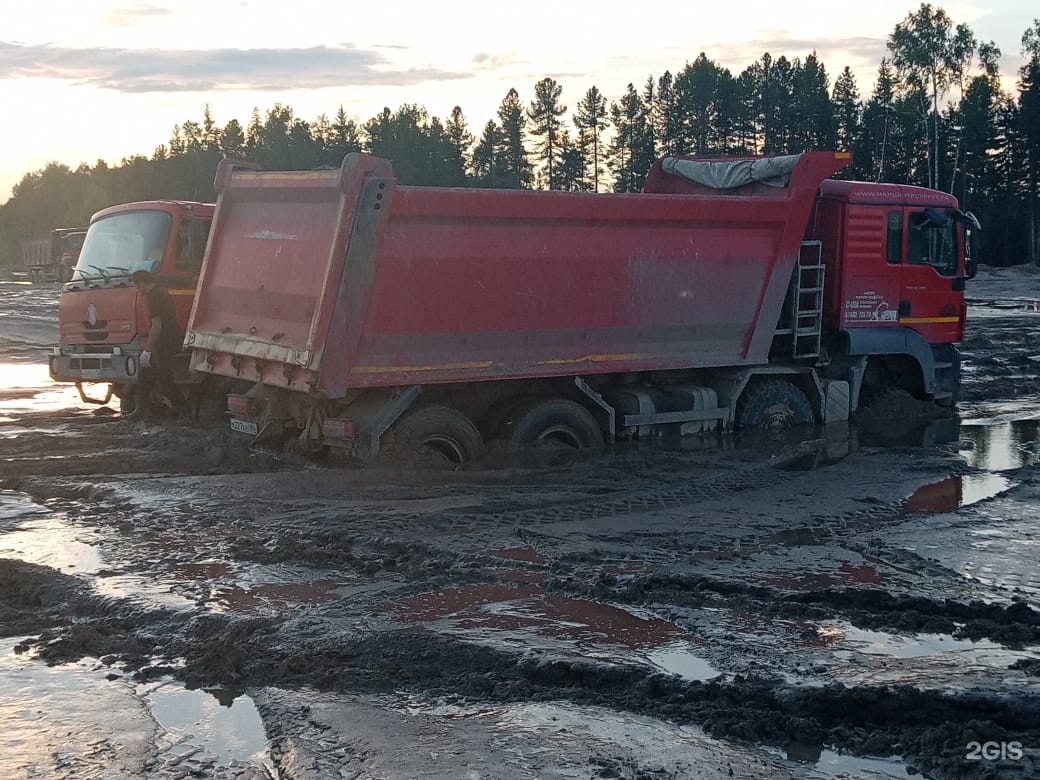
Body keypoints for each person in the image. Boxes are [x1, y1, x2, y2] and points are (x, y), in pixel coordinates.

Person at [130, 267, 190, 418]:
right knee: (145, 375)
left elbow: (156, 327)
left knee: (164, 381)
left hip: (166, 342)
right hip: (167, 340)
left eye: (137, 286)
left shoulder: (154, 297)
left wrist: (147, 351)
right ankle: (141, 410)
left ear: (143, 283)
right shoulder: (160, 292)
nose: (138, 290)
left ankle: (185, 412)